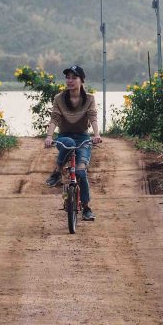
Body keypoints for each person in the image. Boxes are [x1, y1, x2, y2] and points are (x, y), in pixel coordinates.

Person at [43, 64, 102, 220]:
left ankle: (87, 208)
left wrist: (96, 135)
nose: (70, 81)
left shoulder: (89, 98)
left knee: (81, 172)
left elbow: (93, 117)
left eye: (74, 77)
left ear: (81, 80)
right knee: (68, 142)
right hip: (64, 136)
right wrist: (49, 136)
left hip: (83, 137)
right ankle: (58, 169)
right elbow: (54, 118)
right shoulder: (59, 98)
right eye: (67, 77)